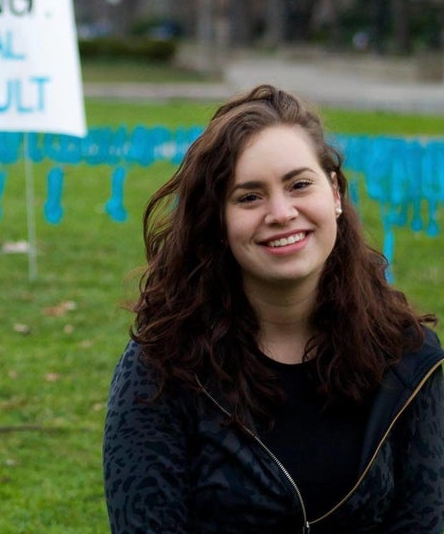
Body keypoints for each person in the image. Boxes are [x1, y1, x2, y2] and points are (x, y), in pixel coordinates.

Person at [103, 84, 444, 534]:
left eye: (299, 184)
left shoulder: (409, 359)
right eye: (249, 197)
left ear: (336, 194)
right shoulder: (163, 367)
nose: (281, 213)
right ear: (218, 222)